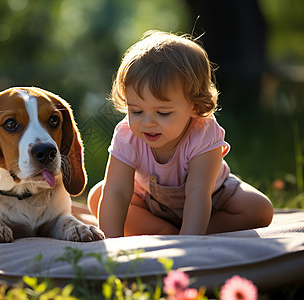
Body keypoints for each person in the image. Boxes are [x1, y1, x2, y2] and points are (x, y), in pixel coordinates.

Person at [87, 31, 273, 237]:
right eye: (136, 111)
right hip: (152, 202)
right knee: (98, 196)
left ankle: (193, 232)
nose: (147, 122)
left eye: (163, 112)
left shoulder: (202, 132)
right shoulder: (127, 135)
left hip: (213, 199)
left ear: (195, 106)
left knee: (260, 209)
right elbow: (117, 191)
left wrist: (187, 243)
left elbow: (198, 193)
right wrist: (111, 247)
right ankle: (163, 231)